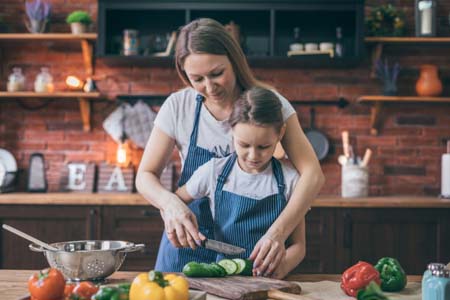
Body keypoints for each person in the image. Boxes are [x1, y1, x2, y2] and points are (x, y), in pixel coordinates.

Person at [135, 18, 324, 274]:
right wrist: (171, 205)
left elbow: (313, 175)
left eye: (216, 74)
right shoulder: (178, 106)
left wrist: (277, 233)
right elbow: (145, 176)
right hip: (187, 244)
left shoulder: (268, 105)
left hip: (251, 253)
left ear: (234, 61)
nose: (209, 87)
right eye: (197, 79)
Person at [175, 87, 306, 278]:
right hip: (223, 280)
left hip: (271, 279)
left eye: (264, 146)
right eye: (244, 145)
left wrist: (282, 266)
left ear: (280, 134)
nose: (253, 156)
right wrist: (180, 218)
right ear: (231, 130)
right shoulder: (213, 172)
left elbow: (299, 246)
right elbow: (177, 200)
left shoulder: (291, 180)